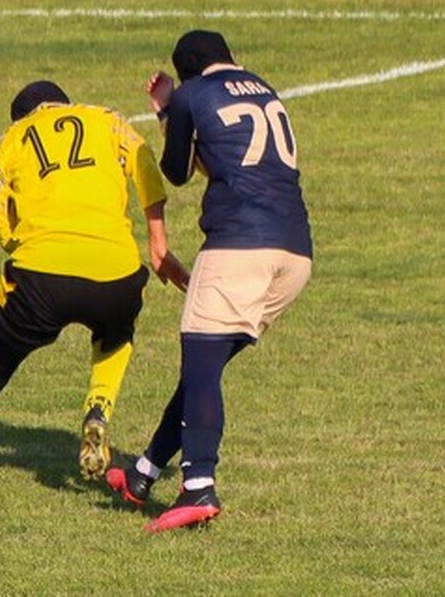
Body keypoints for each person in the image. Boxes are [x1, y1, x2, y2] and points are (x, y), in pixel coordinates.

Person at [0, 80, 188, 503]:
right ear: (62, 105)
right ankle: (99, 407)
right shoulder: (105, 120)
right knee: (115, 335)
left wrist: (28, 251)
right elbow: (145, 165)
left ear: (23, 117)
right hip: (117, 272)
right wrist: (158, 243)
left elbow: (1, 218)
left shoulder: (11, 142)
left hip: (40, 277)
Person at [105, 29, 312, 533]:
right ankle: (144, 473)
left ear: (189, 70)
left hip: (239, 247)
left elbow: (178, 172)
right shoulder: (263, 87)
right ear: (230, 57)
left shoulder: (193, 94)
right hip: (295, 253)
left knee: (200, 363)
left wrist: (166, 110)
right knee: (204, 369)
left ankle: (198, 484)